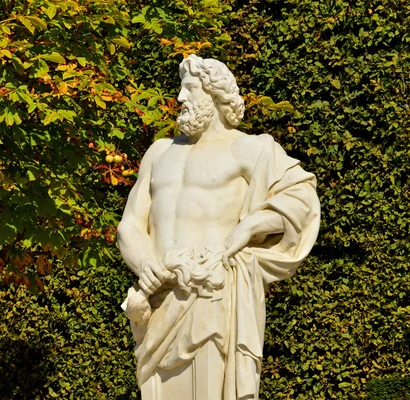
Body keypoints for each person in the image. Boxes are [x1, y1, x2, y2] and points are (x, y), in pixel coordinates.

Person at [117, 54, 320, 400]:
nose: (179, 98)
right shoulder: (159, 152)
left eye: (189, 89)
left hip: (213, 298)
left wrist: (250, 226)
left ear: (213, 95)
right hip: (158, 302)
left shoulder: (251, 148)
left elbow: (302, 200)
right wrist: (143, 265)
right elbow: (129, 226)